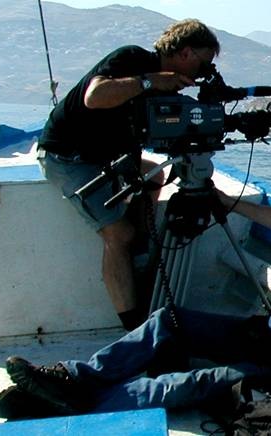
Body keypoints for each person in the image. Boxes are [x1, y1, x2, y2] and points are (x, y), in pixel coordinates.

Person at [0, 169, 271, 419]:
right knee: (168, 321)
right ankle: (73, 378)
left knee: (192, 382)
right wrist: (230, 204)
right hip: (265, 333)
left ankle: (71, 402)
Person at [37, 19, 221, 330]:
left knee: (155, 177)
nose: (202, 72)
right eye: (203, 65)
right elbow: (94, 97)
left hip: (111, 157)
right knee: (117, 234)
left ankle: (138, 249)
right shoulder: (132, 60)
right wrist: (150, 82)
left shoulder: (168, 86)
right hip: (69, 156)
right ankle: (132, 326)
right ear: (186, 53)